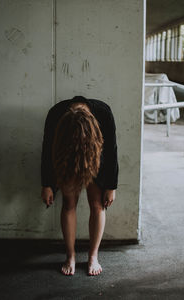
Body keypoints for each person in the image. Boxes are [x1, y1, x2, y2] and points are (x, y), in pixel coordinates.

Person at [41, 95, 119, 276]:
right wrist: (47, 184)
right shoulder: (55, 114)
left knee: (98, 205)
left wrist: (111, 186)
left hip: (95, 158)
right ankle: (71, 256)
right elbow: (47, 150)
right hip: (66, 158)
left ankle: (93, 256)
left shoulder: (104, 112)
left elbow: (112, 150)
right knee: (69, 205)